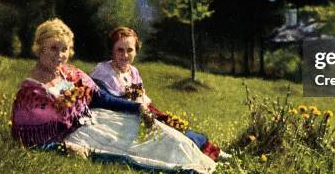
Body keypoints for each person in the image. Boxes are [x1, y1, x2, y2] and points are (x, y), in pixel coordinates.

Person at [11, 19, 216, 174]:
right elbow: (29, 139)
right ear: (40, 48)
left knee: (159, 133)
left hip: (100, 118)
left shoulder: (69, 73)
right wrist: (64, 148)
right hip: (78, 137)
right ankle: (189, 169)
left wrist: (136, 109)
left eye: (64, 49)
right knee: (137, 150)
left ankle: (201, 158)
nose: (60, 55)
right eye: (53, 48)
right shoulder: (31, 93)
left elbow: (101, 98)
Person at [90, 27, 230, 161]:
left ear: (136, 51)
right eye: (120, 50)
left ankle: (213, 152)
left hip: (144, 112)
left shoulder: (133, 71)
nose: (125, 55)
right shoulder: (104, 71)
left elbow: (141, 98)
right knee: (169, 137)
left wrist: (149, 111)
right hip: (122, 118)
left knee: (175, 127)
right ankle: (203, 155)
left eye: (130, 50)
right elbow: (104, 100)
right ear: (112, 51)